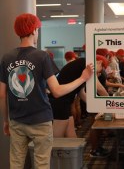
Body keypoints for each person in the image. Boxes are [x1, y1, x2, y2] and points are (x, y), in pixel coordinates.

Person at [0, 13, 94, 169]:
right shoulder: (41, 56)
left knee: (16, 162)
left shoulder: (6, 57)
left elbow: (2, 94)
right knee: (42, 163)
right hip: (40, 120)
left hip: (16, 119)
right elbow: (57, 91)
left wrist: (5, 121)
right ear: (35, 30)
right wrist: (83, 78)